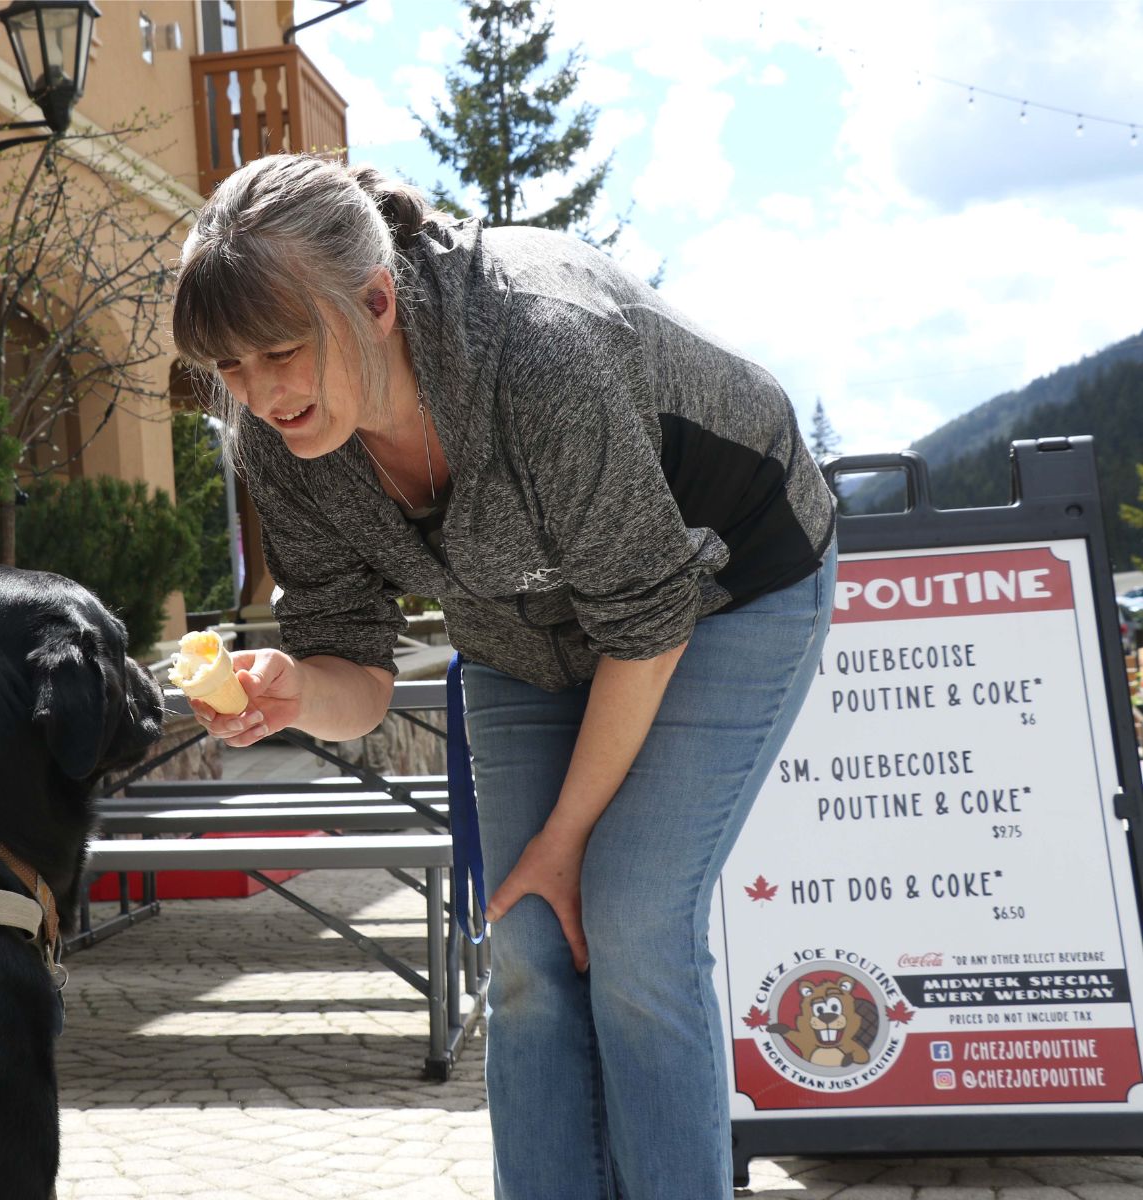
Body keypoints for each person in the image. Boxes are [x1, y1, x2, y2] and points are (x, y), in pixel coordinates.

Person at [169, 152, 837, 1200]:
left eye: (281, 353)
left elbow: (649, 623)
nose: (261, 395)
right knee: (525, 947)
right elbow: (358, 666)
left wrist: (563, 842)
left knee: (632, 924)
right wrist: (299, 689)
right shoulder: (280, 442)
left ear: (378, 300)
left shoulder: (540, 357)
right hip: (524, 626)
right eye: (232, 369)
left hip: (723, 586)